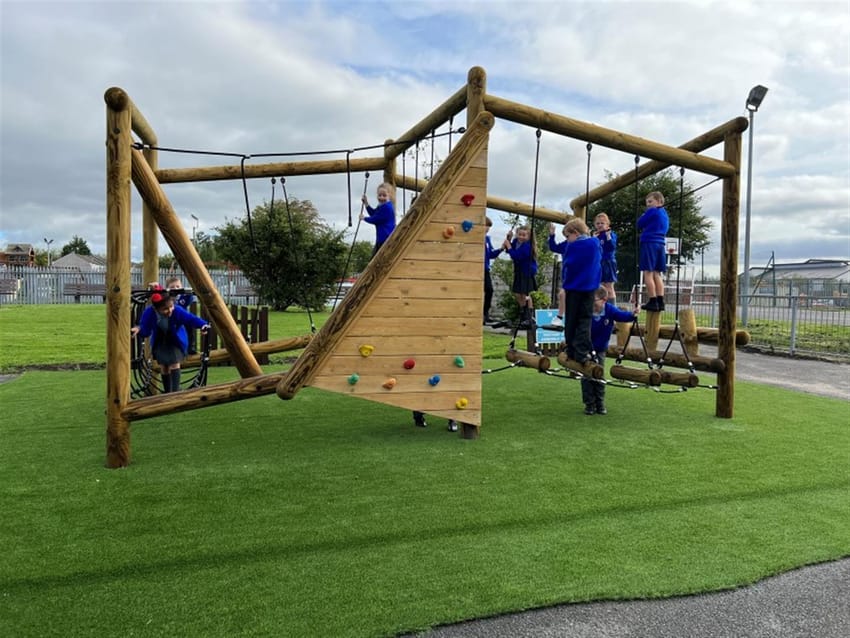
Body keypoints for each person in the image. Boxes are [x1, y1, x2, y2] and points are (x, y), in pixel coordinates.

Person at [131, 286, 210, 393]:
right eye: (165, 309)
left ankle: (175, 391)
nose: (169, 310)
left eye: (171, 307)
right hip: (160, 341)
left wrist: (203, 325)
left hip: (175, 340)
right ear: (156, 309)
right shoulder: (149, 312)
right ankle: (168, 391)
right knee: (164, 365)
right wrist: (138, 329)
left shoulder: (177, 311)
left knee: (174, 363)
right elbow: (145, 328)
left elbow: (190, 319)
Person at [582, 287, 637, 416]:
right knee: (586, 376)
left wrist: (632, 314)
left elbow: (622, 316)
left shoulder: (609, 310)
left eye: (594, 300)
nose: (591, 302)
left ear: (604, 300)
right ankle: (589, 404)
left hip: (600, 349)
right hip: (586, 347)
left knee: (598, 375)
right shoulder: (587, 310)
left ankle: (600, 403)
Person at [561, 218, 602, 364]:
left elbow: (567, 265)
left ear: (575, 233)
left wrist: (564, 283)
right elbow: (600, 257)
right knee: (585, 321)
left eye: (567, 236)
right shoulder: (594, 243)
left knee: (571, 319)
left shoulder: (572, 247)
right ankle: (581, 353)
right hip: (589, 288)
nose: (567, 240)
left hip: (573, 288)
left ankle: (571, 350)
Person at [637, 191, 669, 312]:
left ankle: (652, 300)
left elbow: (639, 224)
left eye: (650, 201)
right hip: (660, 243)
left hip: (649, 242)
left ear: (659, 201)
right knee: (657, 273)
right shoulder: (664, 214)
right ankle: (660, 301)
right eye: (647, 203)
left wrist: (644, 214)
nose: (648, 204)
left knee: (648, 273)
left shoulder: (652, 211)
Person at [502, 225, 538, 329]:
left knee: (525, 294)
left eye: (524, 235)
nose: (521, 237)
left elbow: (516, 256)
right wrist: (508, 239)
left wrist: (509, 247)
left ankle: (529, 317)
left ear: (528, 236)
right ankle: (523, 314)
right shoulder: (516, 242)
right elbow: (509, 251)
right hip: (518, 272)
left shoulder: (528, 246)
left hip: (526, 272)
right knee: (518, 294)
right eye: (519, 234)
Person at [360, 182, 397, 255]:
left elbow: (376, 219)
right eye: (379, 195)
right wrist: (366, 204)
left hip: (386, 238)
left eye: (384, 195)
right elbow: (373, 214)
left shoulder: (387, 207)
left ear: (389, 196)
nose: (381, 198)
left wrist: (364, 218)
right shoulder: (382, 206)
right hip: (381, 239)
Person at [166, 276, 198, 354]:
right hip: (171, 319)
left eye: (178, 286)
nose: (176, 289)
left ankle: (190, 348)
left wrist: (188, 292)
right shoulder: (167, 297)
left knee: (189, 329)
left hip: (183, 318)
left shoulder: (183, 297)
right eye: (172, 287)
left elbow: (189, 299)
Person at [547, 222, 569, 326]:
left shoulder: (581, 244)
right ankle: (561, 316)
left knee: (564, 294)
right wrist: (552, 235)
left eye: (568, 235)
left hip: (577, 276)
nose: (567, 238)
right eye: (566, 236)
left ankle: (561, 316)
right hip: (566, 275)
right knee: (562, 295)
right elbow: (553, 247)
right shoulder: (565, 244)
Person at [593, 212, 618, 302]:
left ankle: (612, 308)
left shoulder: (611, 234)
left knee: (609, 287)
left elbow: (612, 246)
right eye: (598, 223)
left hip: (608, 261)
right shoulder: (596, 236)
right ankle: (603, 308)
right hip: (599, 263)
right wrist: (593, 239)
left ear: (607, 224)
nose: (600, 225)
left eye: (602, 223)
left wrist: (608, 236)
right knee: (601, 287)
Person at [483, 216, 503, 324]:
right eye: (486, 226)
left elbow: (491, 254)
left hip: (485, 269)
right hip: (477, 268)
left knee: (489, 290)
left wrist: (501, 249)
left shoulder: (487, 239)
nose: (487, 229)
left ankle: (485, 314)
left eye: (488, 227)